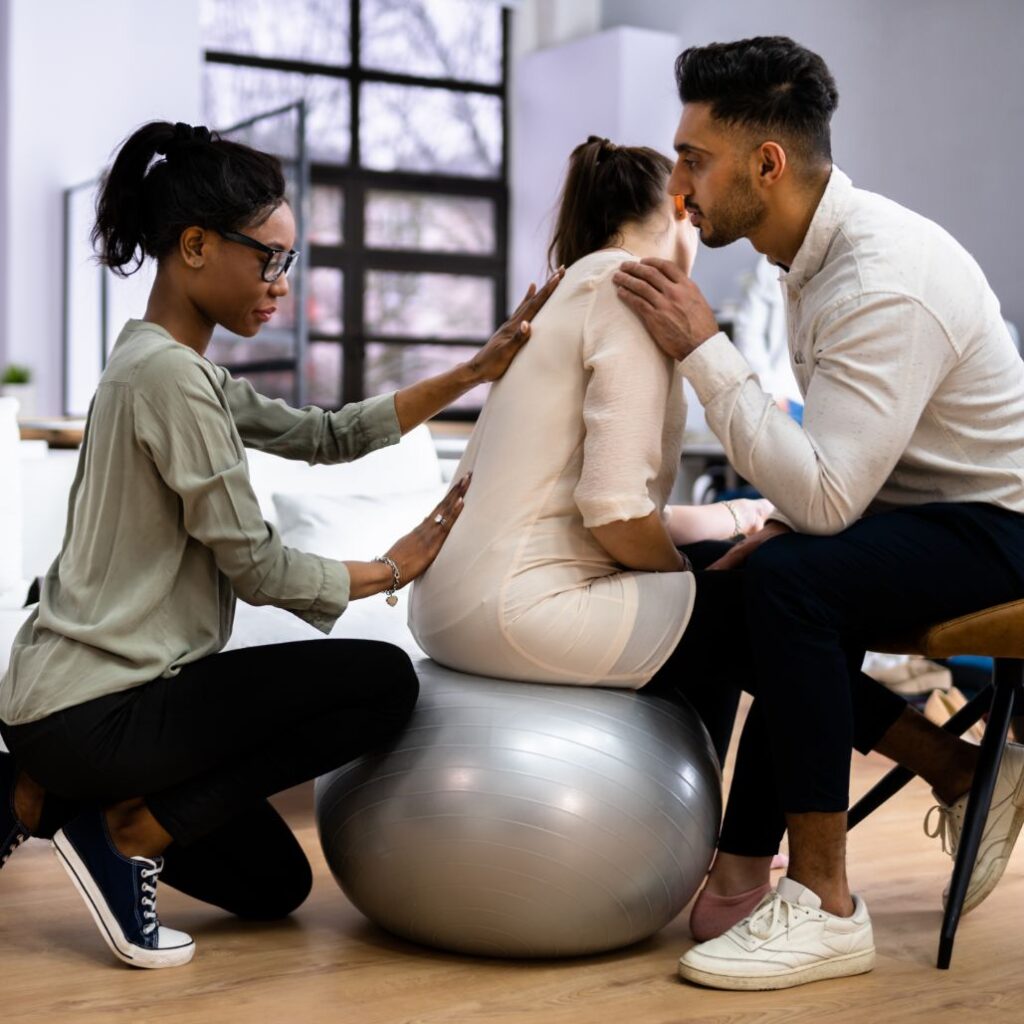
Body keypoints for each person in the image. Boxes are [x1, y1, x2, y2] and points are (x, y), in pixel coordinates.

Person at [0, 120, 561, 969]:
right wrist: (392, 569)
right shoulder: (170, 380)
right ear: (195, 246)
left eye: (285, 263)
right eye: (269, 258)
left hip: (76, 712)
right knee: (379, 682)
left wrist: (470, 375)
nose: (280, 285)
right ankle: (128, 830)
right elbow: (257, 568)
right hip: (102, 708)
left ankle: (37, 795)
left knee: (273, 887)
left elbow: (326, 435)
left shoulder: (166, 364)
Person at [615, 37, 1024, 990]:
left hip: (1002, 527)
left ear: (768, 163)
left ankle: (828, 906)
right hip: (922, 511)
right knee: (727, 591)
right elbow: (845, 472)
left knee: (795, 583)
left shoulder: (881, 275)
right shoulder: (804, 258)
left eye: (694, 158)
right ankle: (946, 770)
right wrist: (780, 522)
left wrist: (704, 352)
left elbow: (832, 496)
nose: (680, 187)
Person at [409, 135, 771, 764]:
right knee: (780, 614)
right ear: (680, 210)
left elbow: (591, 510)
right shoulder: (632, 292)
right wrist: (689, 581)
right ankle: (946, 767)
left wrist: (731, 528)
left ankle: (723, 839)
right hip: (517, 613)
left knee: (721, 582)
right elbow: (612, 509)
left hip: (447, 608)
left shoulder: (571, 288)